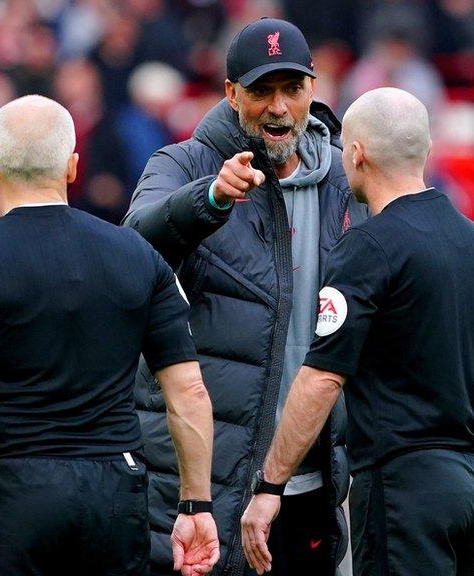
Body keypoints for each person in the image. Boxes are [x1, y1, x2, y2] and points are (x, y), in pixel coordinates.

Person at [0, 95, 219, 576]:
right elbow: (189, 391)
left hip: (11, 494)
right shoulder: (137, 256)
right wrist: (196, 506)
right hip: (113, 493)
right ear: (72, 167)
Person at [239, 87, 474, 576]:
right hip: (473, 486)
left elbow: (322, 379)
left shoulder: (367, 248)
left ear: (356, 153)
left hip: (404, 490)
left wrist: (270, 487)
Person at [122, 17, 363, 576]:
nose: (278, 107)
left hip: (311, 486)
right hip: (205, 493)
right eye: (260, 91)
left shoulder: (347, 180)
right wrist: (207, 199)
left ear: (313, 88)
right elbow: (132, 249)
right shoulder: (183, 164)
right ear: (231, 94)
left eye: (291, 89)